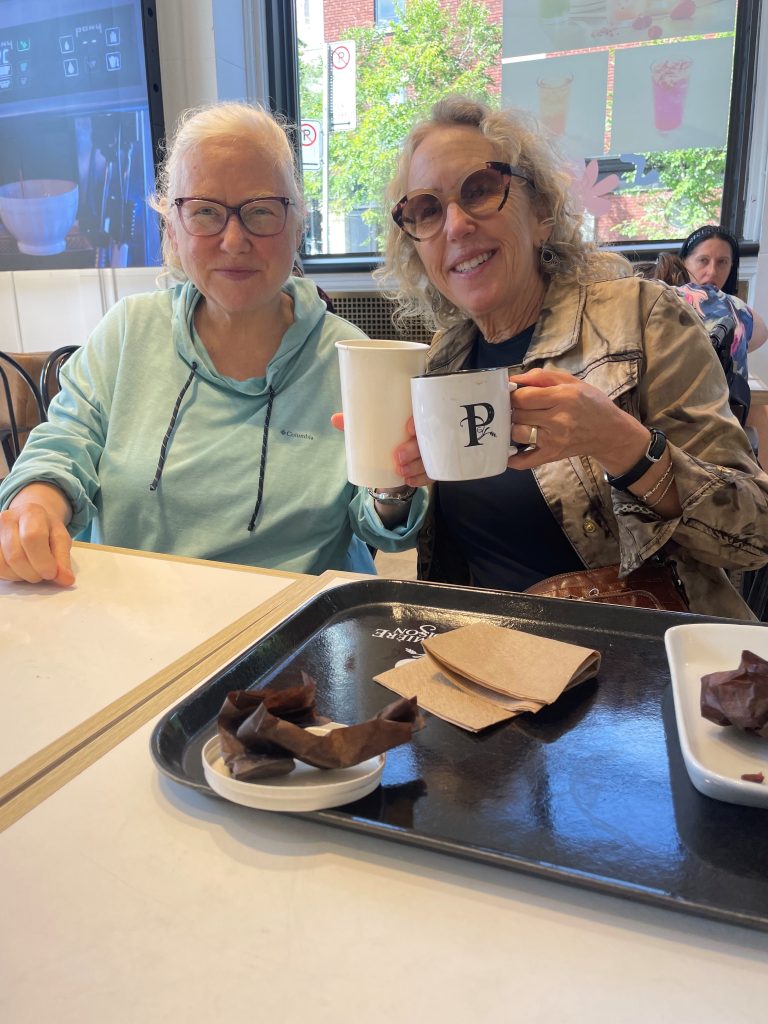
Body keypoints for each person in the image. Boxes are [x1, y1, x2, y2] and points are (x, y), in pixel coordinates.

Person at [0, 101, 425, 586]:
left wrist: (393, 485)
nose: (233, 239)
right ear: (172, 230)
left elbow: (387, 534)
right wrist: (35, 503)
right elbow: (64, 445)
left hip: (292, 632)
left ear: (298, 225)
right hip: (132, 617)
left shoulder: (350, 357)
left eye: (261, 211)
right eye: (205, 212)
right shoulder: (126, 332)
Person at [376, 95, 768, 619]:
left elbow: (755, 535)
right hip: (485, 662)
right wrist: (392, 481)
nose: (454, 226)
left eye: (481, 190)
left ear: (541, 212)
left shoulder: (641, 316)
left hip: (632, 662)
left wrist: (625, 447)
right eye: (426, 209)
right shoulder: (443, 363)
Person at [637, 252, 768, 466]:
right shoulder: (723, 303)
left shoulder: (640, 299)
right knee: (759, 413)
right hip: (725, 454)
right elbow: (761, 334)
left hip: (656, 455)